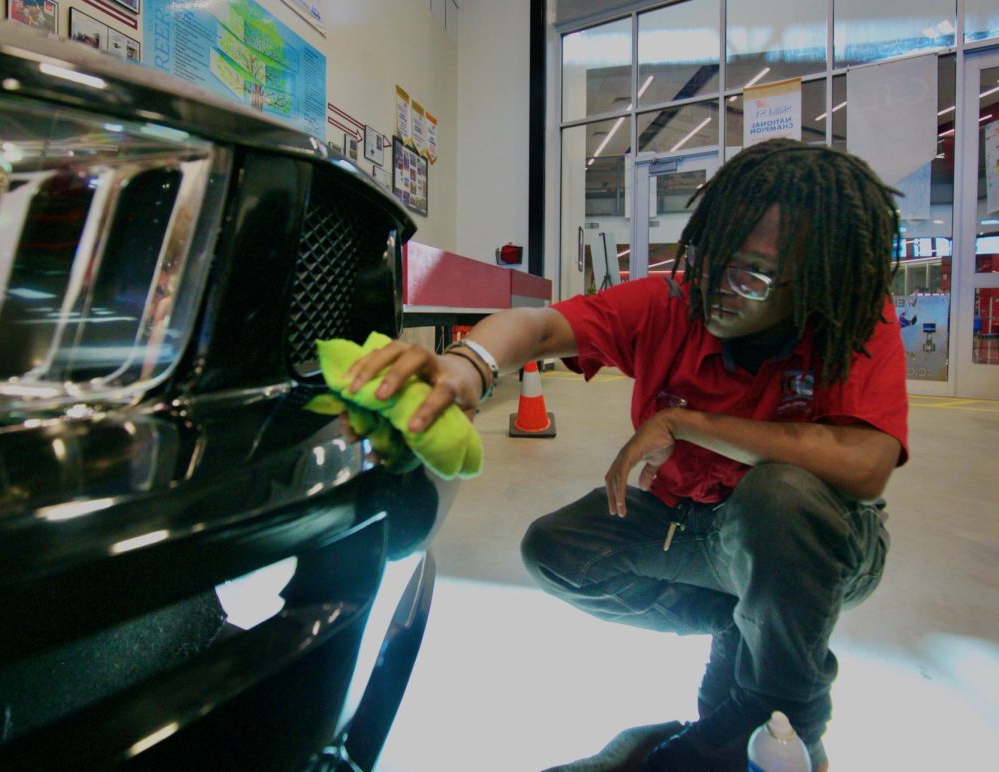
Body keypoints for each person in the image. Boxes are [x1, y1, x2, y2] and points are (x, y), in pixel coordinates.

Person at [344, 139, 907, 771]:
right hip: (699, 529)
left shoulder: (853, 320)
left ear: (812, 284)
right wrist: (468, 364)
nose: (718, 288)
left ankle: (791, 727)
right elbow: (539, 326)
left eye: (750, 273)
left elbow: (866, 463)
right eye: (711, 257)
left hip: (815, 541)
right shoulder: (675, 302)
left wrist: (686, 423)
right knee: (559, 550)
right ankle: (743, 648)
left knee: (782, 495)